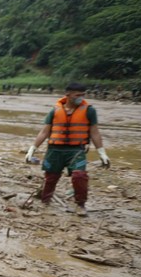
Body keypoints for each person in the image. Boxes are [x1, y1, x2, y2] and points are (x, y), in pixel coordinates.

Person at [25, 83, 110, 216]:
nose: (81, 98)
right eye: (77, 95)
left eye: (83, 95)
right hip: (54, 150)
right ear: (68, 95)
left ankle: (80, 205)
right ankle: (45, 201)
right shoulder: (55, 111)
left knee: (79, 175)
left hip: (76, 150)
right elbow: (44, 132)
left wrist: (102, 153)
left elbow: (94, 132)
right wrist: (32, 149)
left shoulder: (89, 110)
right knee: (51, 177)